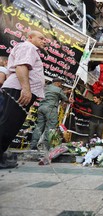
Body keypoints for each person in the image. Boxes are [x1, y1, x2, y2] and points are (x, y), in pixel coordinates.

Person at [0, 30, 46, 168]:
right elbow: (21, 67)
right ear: (30, 38)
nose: (44, 41)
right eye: (41, 38)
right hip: (19, 91)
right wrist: (26, 89)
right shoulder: (28, 47)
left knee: (12, 125)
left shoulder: (31, 49)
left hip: (19, 90)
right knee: (8, 125)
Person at [30, 78, 73, 150]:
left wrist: (66, 91)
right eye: (61, 84)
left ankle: (33, 145)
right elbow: (65, 99)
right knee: (50, 127)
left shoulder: (46, 87)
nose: (61, 85)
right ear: (58, 83)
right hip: (50, 109)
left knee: (39, 126)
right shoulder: (58, 89)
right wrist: (69, 100)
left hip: (41, 108)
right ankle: (46, 146)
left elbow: (55, 92)